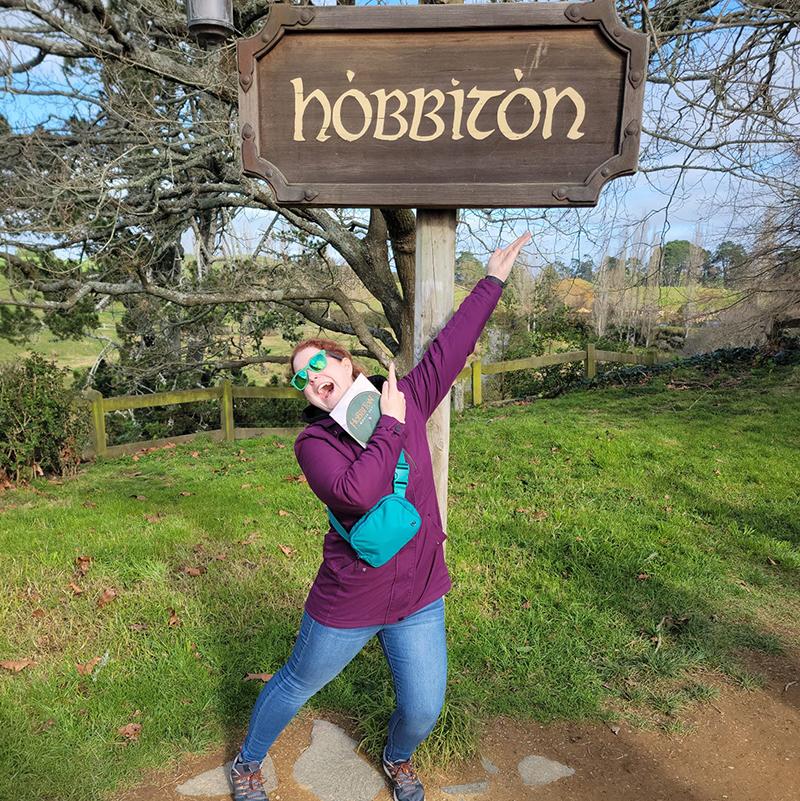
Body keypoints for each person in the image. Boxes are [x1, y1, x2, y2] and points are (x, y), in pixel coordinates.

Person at [230, 233, 530, 801]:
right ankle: (248, 762)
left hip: (419, 590)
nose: (312, 378)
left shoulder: (407, 395)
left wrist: (491, 279)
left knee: (423, 707)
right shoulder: (314, 444)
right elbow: (358, 493)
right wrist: (391, 426)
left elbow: (453, 346)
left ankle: (397, 758)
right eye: (301, 378)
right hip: (352, 597)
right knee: (296, 682)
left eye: (318, 363)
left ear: (344, 361)